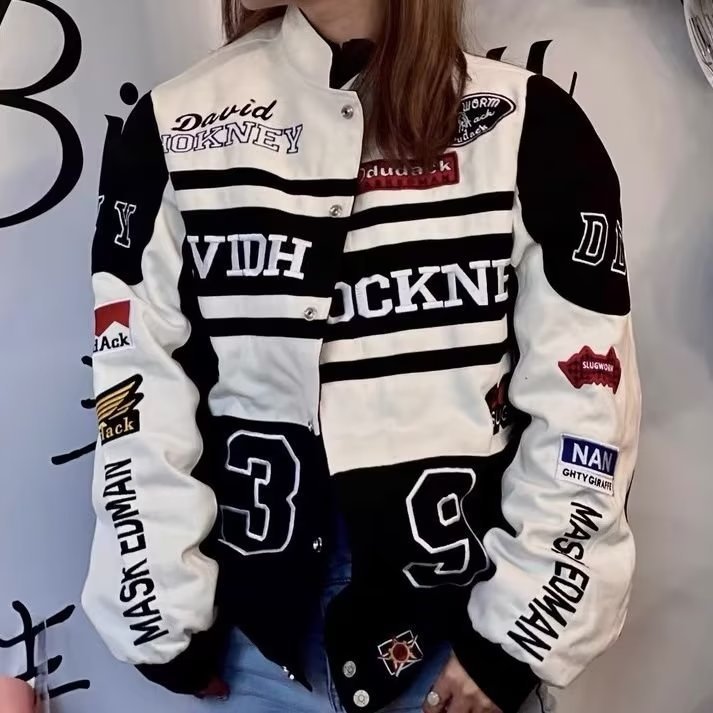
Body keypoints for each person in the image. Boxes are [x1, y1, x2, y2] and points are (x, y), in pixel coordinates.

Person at [82, 1, 641, 712]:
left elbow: (587, 404)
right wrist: (163, 618)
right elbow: (136, 389)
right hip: (260, 651)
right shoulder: (172, 129)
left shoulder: (529, 123)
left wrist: (513, 642)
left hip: (455, 644)